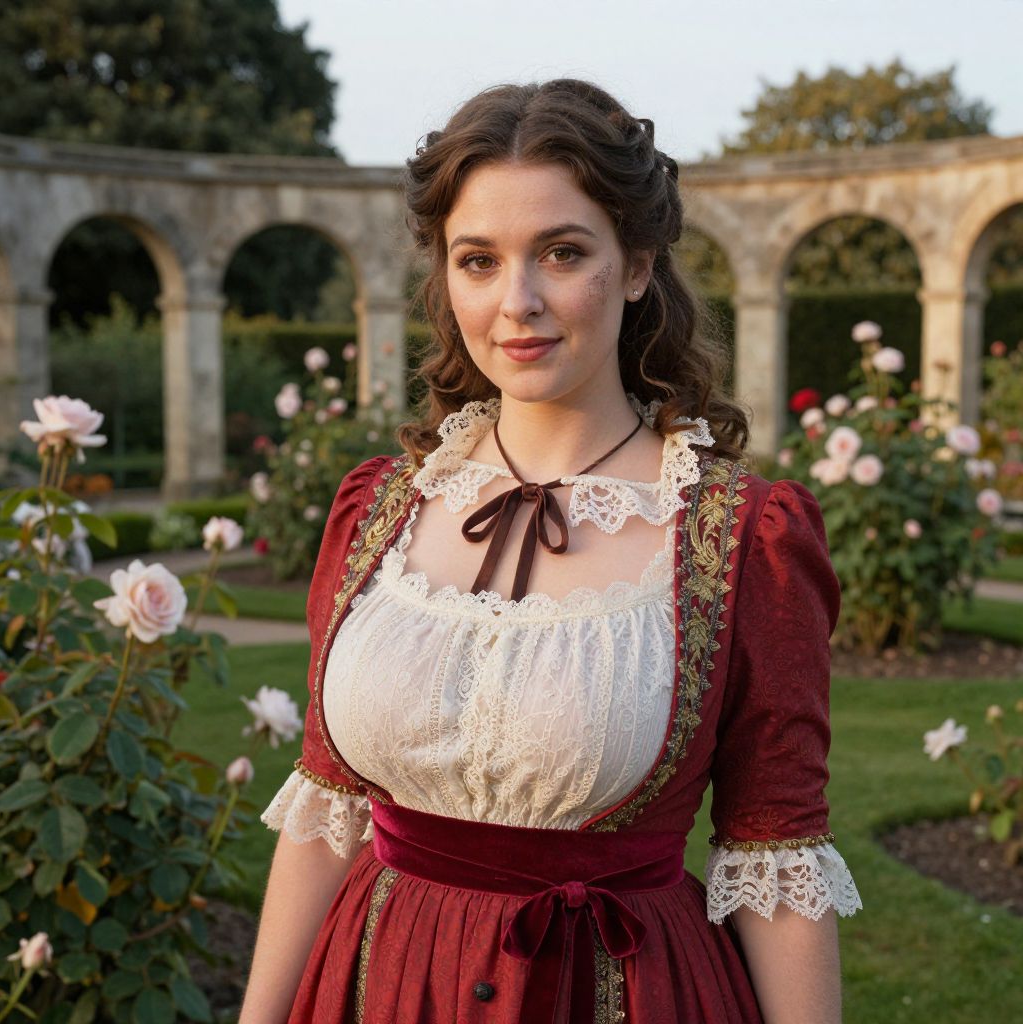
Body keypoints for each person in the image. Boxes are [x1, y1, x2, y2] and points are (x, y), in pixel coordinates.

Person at [239, 78, 862, 1024]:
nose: (517, 302)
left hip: (613, 990)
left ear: (640, 262)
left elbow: (774, 862)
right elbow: (328, 820)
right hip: (378, 986)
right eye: (478, 260)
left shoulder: (743, 538)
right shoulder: (379, 510)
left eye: (562, 253)